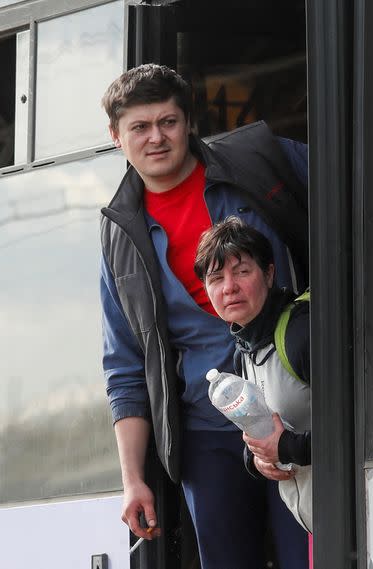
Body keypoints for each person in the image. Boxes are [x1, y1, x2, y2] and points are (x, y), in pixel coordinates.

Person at [99, 64, 308, 569]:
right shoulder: (118, 236)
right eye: (140, 127)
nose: (156, 138)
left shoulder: (256, 163)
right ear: (116, 136)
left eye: (168, 122)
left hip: (296, 412)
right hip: (206, 435)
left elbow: (354, 190)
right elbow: (125, 369)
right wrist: (133, 478)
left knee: (307, 556)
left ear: (187, 123)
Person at [194, 216, 312, 534]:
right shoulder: (244, 353)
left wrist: (287, 449)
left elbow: (362, 427)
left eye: (242, 272)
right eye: (216, 278)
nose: (229, 287)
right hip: (321, 529)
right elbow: (266, 433)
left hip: (359, 516)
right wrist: (258, 460)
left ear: (269, 274)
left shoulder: (301, 333)